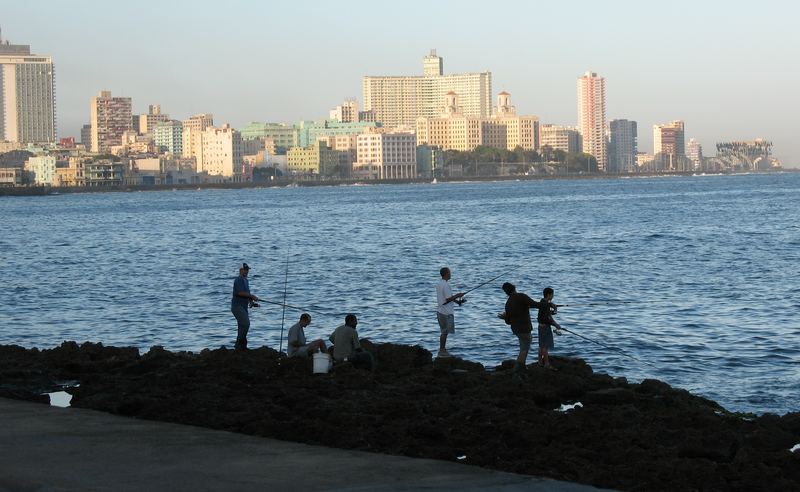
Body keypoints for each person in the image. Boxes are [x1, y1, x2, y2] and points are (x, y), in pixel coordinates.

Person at [498, 282, 541, 373]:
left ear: (506, 292)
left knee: (523, 347)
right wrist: (547, 304)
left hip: (516, 329)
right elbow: (535, 304)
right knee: (524, 348)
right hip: (524, 328)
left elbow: (508, 322)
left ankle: (522, 366)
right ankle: (518, 367)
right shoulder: (521, 296)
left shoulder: (508, 303)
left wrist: (504, 317)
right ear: (514, 288)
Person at [436, 267, 465, 358]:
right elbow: (448, 299)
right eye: (449, 272)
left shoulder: (440, 284)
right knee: (444, 332)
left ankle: (442, 350)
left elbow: (446, 299)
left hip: (440, 311)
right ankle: (442, 351)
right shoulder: (446, 285)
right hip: (446, 312)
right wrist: (458, 295)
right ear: (446, 274)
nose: (450, 274)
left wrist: (457, 301)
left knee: (444, 332)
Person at [231, 263, 259, 350]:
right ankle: (240, 342)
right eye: (245, 269)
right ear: (240, 270)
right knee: (246, 324)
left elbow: (247, 294)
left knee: (241, 326)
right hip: (237, 307)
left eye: (247, 270)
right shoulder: (238, 280)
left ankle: (240, 346)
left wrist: (251, 302)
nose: (246, 271)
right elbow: (240, 293)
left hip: (243, 307)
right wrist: (252, 296)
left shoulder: (246, 281)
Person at [537, 287, 562, 370]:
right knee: (545, 347)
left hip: (540, 327)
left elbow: (547, 314)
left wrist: (554, 308)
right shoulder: (546, 304)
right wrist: (556, 325)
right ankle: (547, 364)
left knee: (541, 346)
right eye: (552, 294)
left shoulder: (542, 302)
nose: (553, 296)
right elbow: (548, 317)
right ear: (549, 294)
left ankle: (540, 362)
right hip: (545, 328)